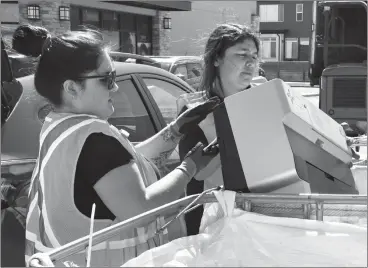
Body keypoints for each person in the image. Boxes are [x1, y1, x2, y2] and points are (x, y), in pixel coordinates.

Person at [25, 28, 220, 267]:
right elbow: (142, 207)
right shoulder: (95, 138)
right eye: (107, 79)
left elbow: (129, 165)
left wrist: (176, 129)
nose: (115, 87)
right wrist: (189, 168)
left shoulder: (60, 127)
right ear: (71, 88)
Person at [177, 23, 361, 236]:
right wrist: (231, 137)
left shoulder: (268, 97)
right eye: (241, 54)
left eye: (254, 56)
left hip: (272, 219)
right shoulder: (194, 111)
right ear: (216, 58)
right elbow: (196, 175)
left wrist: (336, 145)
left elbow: (301, 139)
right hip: (216, 230)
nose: (250, 63)